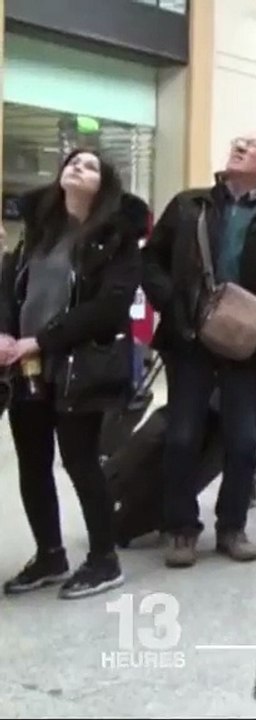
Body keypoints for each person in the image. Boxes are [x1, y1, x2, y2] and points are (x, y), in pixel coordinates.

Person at [141, 133, 256, 568]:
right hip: (188, 337)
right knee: (183, 435)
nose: (238, 145)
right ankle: (181, 529)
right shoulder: (191, 204)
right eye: (236, 142)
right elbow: (150, 260)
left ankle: (231, 527)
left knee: (243, 441)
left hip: (245, 342)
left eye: (252, 145)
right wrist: (172, 302)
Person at [0, 150, 146, 599]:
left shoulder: (115, 237)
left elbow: (108, 307)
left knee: (81, 462)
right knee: (32, 462)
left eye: (89, 166)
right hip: (25, 364)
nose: (76, 168)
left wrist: (42, 339)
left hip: (77, 365)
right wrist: (6, 332)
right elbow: (9, 286)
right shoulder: (40, 231)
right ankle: (50, 554)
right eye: (72, 162)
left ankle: (104, 559)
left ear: (103, 185)